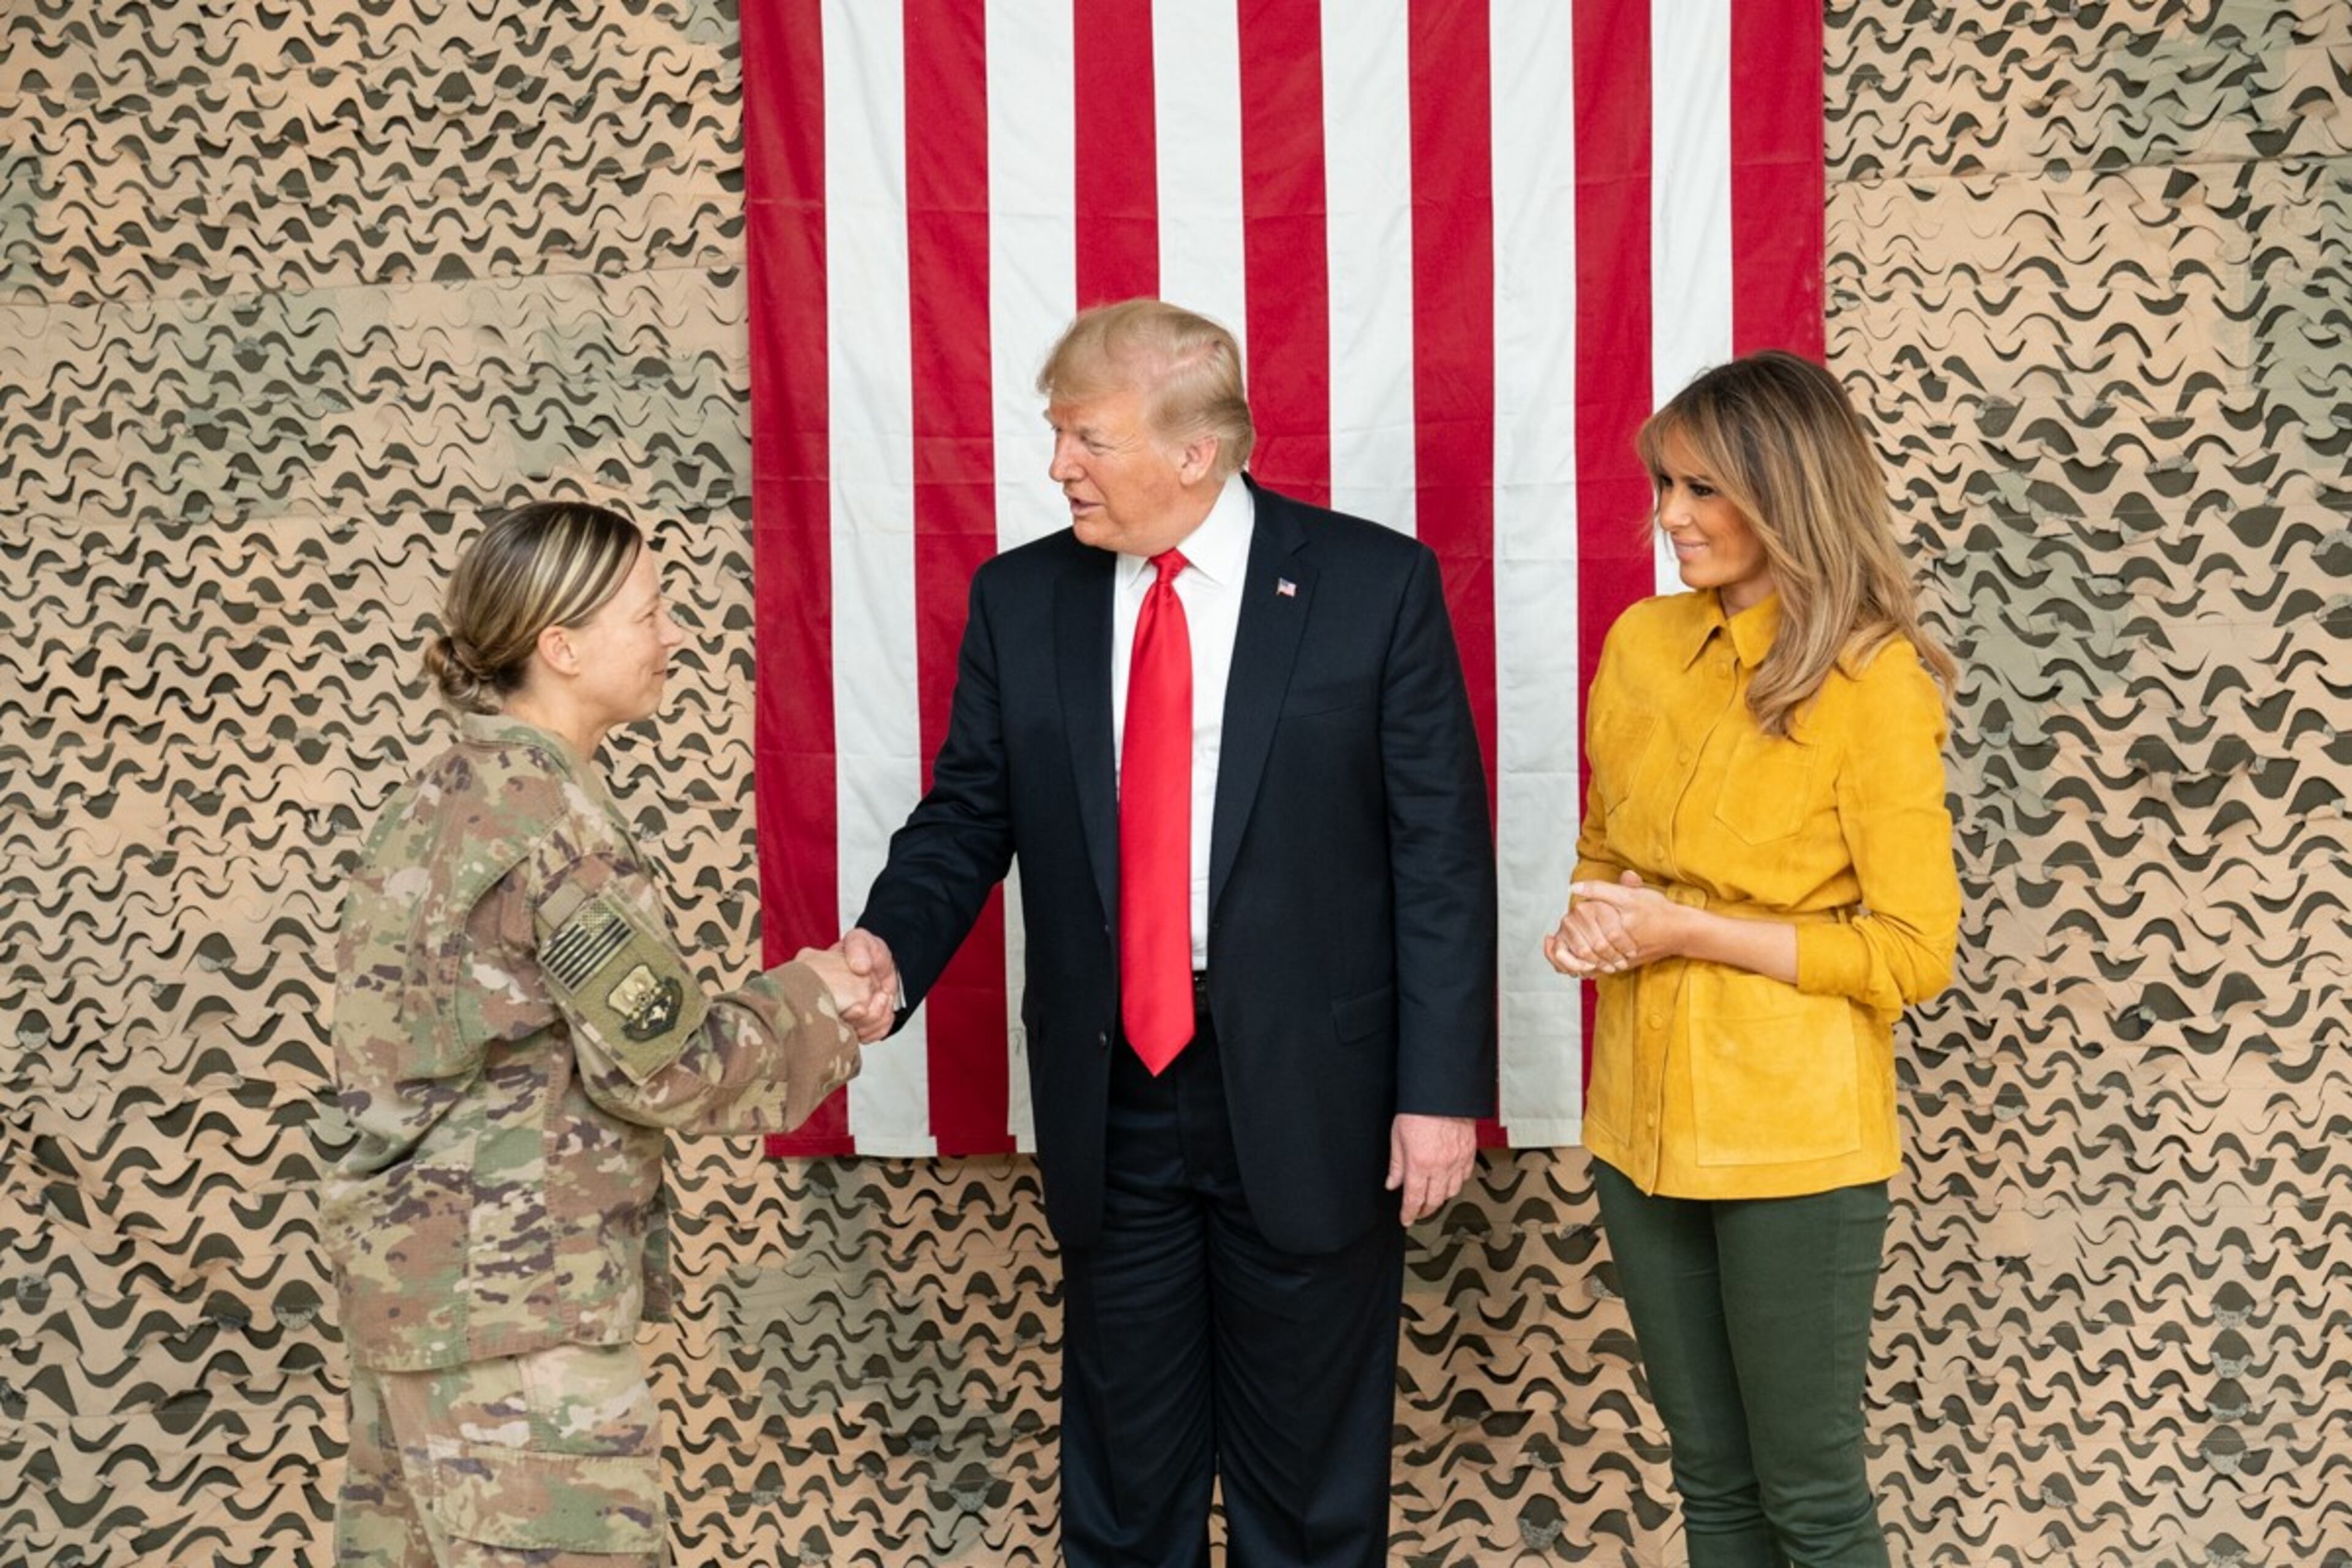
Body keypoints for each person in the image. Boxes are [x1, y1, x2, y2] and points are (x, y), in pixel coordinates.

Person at [836, 299, 1498, 1567]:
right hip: (1114, 1089)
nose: (1058, 466)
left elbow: (1441, 857)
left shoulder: (1375, 586)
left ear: (1197, 452)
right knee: (1126, 1490)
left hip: (1315, 1093)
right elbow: (969, 813)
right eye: (1057, 435)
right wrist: (891, 946)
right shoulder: (1022, 597)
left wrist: (1438, 1090)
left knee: (1310, 1500)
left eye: (1087, 438)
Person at [325, 500, 876, 1568]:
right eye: (651, 612)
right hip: (517, 1328)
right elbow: (666, 1070)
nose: (676, 634)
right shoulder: (548, 821)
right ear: (562, 647)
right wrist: (817, 1000)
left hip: (413, 1307)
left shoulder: (435, 795)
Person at [1544, 350, 1961, 1567]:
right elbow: (1605, 849)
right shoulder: (1642, 642)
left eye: (1702, 489)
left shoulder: (1873, 680)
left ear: (1787, 493)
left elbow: (1913, 950)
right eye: (1665, 486)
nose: (1669, 516)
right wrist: (1590, 923)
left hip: (1793, 1142)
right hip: (1638, 1128)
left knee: (1810, 1499)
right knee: (1713, 1487)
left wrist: (1688, 931)